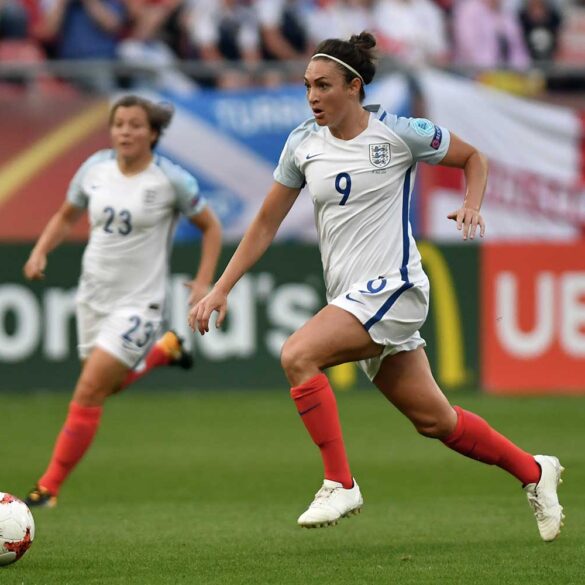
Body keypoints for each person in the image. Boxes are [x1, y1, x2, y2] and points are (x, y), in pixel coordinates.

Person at [190, 32, 564, 542]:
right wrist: (220, 287)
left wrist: (473, 203)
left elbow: (473, 157)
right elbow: (263, 225)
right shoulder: (303, 143)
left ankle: (340, 482)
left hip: (396, 288)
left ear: (354, 86)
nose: (312, 96)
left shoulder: (398, 132)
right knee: (437, 422)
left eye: (323, 85)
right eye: (306, 86)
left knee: (298, 355)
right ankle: (535, 472)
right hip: (351, 298)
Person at [23, 95, 222, 508]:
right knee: (102, 388)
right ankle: (164, 352)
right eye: (118, 124)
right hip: (93, 296)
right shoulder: (94, 169)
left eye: (134, 125)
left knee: (89, 390)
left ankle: (49, 488)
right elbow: (66, 215)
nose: (125, 132)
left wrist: (204, 281)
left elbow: (211, 227)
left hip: (139, 303)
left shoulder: (170, 180)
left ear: (152, 133)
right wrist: (41, 250)